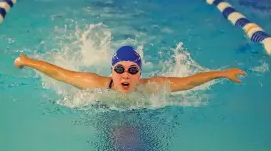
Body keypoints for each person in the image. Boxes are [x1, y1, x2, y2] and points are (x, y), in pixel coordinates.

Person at [14, 46, 247, 94]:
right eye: (120, 69)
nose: (125, 74)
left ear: (140, 74)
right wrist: (26, 60)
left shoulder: (151, 87)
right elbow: (59, 73)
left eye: (132, 70)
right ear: (112, 71)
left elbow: (187, 82)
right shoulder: (94, 83)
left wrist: (222, 73)